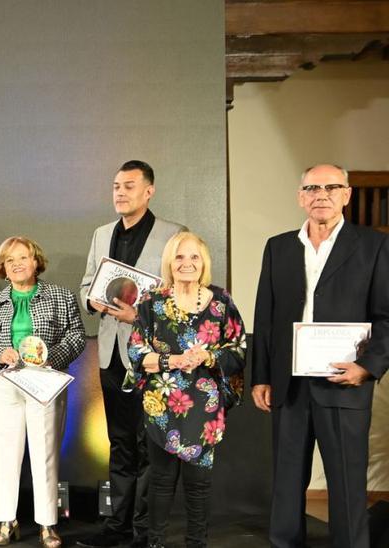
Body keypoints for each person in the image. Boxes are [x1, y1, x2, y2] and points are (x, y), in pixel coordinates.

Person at [252, 164, 389, 548]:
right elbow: (266, 317)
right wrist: (261, 376)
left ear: (347, 194)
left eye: (331, 187)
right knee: (286, 481)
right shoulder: (278, 246)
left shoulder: (373, 246)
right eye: (312, 188)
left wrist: (368, 367)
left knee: (346, 483)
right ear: (300, 197)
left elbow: (387, 316)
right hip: (289, 384)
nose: (321, 194)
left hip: (344, 382)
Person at [77, 161, 185, 548]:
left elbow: (183, 298)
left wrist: (140, 314)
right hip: (111, 355)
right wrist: (93, 301)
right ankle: (116, 528)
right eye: (116, 186)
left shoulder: (174, 235)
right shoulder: (101, 234)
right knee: (120, 443)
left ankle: (146, 531)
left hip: (155, 358)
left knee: (150, 447)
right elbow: (86, 286)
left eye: (129, 186)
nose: (120, 192)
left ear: (149, 191)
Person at [128, 232, 245, 548]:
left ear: (203, 261)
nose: (187, 263)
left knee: (199, 484)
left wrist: (209, 355)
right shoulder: (152, 302)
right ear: (169, 261)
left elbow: (238, 349)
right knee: (161, 481)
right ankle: (155, 542)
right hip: (161, 405)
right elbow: (137, 352)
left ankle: (197, 543)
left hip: (204, 404)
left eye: (194, 257)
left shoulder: (221, 302)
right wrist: (174, 360)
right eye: (179, 256)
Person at [0, 237, 85, 548]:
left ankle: (47, 524)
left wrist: (55, 357)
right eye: (10, 261)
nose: (17, 264)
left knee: (45, 452)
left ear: (36, 261)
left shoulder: (60, 297)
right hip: (6, 381)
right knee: (6, 453)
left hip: (44, 380)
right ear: (3, 269)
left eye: (23, 257)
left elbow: (77, 335)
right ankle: (6, 520)